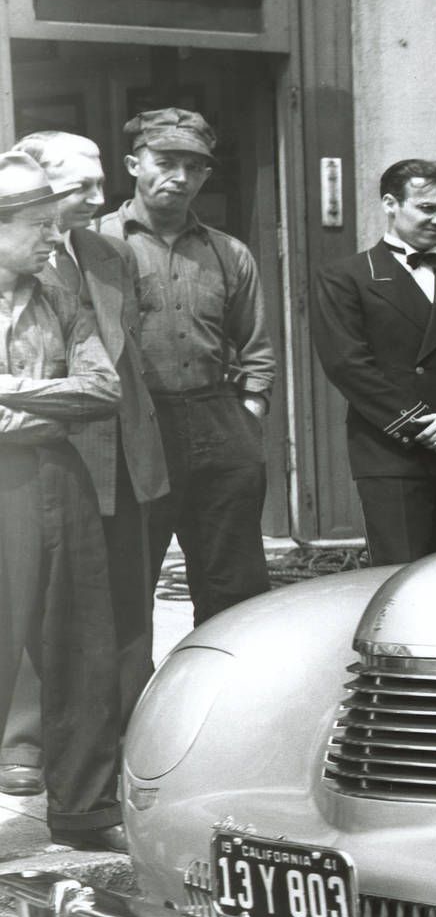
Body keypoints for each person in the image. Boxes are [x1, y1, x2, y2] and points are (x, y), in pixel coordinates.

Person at [0, 131, 174, 789]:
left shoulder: (89, 273)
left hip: (91, 461)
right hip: (22, 469)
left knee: (97, 619)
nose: (98, 200)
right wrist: (53, 400)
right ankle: (21, 744)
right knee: (14, 619)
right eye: (81, 186)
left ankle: (100, 768)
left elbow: (107, 380)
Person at [101, 107, 274, 625]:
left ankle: (226, 696)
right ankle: (130, 702)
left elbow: (256, 346)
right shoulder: (94, 242)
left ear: (206, 175)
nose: (179, 177)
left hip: (217, 420)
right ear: (134, 163)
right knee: (125, 582)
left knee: (235, 583)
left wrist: (251, 409)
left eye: (193, 167)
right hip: (132, 425)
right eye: (165, 161)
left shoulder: (228, 253)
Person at [0, 150, 127, 852]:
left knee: (82, 643)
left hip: (60, 477)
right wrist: (52, 404)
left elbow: (103, 391)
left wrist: (9, 389)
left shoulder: (61, 297)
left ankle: (84, 808)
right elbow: (71, 397)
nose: (55, 238)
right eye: (40, 225)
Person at [310, 161, 436, 565]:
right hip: (393, 452)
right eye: (427, 208)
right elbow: (350, 366)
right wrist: (423, 428)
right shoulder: (345, 277)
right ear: (390, 203)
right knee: (401, 578)